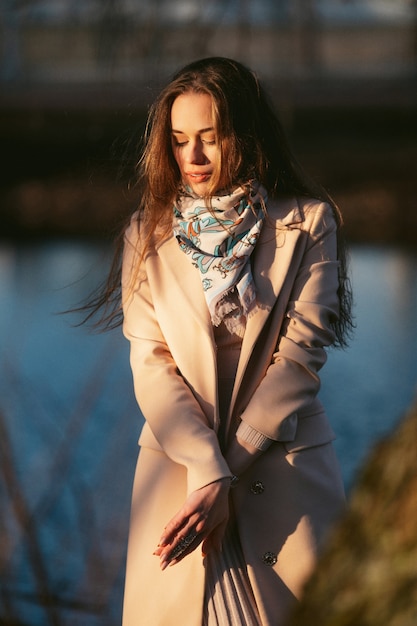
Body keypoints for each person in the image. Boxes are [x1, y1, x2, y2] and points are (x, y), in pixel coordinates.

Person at [93, 57, 353, 625]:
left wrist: (224, 473)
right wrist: (205, 471)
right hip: (178, 484)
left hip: (283, 477)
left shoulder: (309, 224)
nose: (193, 157)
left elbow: (299, 361)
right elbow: (151, 364)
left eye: (210, 138)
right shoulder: (147, 231)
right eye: (181, 140)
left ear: (247, 134)